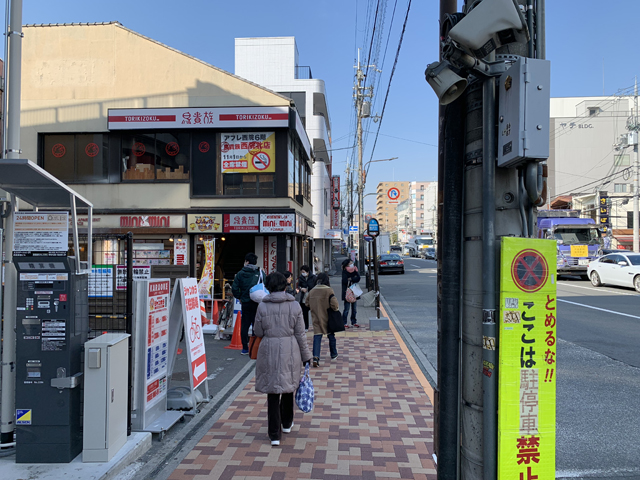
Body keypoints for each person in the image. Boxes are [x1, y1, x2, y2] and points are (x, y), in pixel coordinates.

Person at [254, 271, 312, 446]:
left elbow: (258, 331)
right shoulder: (294, 306)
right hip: (291, 348)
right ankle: (286, 424)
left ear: (268, 287)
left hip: (268, 349)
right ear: (285, 286)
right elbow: (301, 333)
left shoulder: (262, 306)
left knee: (272, 392)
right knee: (288, 386)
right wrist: (306, 356)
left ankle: (274, 435)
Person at [305, 272, 340, 367]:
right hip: (328, 317)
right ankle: (334, 354)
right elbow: (335, 305)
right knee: (331, 335)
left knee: (317, 336)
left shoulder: (312, 291)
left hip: (316, 317)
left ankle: (316, 357)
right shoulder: (329, 290)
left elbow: (307, 303)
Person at [231, 253, 262, 355]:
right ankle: (254, 347)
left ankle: (245, 348)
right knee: (256, 324)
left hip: (245, 302)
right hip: (257, 302)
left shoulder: (240, 273)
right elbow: (265, 285)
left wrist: (239, 297)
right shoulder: (260, 273)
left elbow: (234, 288)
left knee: (245, 324)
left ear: (247, 262)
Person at [341, 258, 361, 328]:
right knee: (346, 309)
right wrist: (352, 279)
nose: (352, 264)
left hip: (354, 292)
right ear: (347, 265)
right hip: (347, 292)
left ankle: (354, 321)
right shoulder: (344, 271)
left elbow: (358, 278)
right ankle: (344, 322)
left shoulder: (355, 270)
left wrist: (351, 279)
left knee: (354, 309)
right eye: (350, 263)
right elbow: (344, 281)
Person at [296, 265, 317, 330]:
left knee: (314, 313)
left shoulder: (313, 277)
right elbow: (298, 286)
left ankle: (316, 326)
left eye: (303, 272)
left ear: (307, 271)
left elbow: (316, 286)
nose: (303, 273)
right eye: (302, 272)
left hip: (312, 297)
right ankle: (306, 327)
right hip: (304, 298)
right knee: (304, 313)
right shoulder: (301, 278)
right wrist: (301, 288)